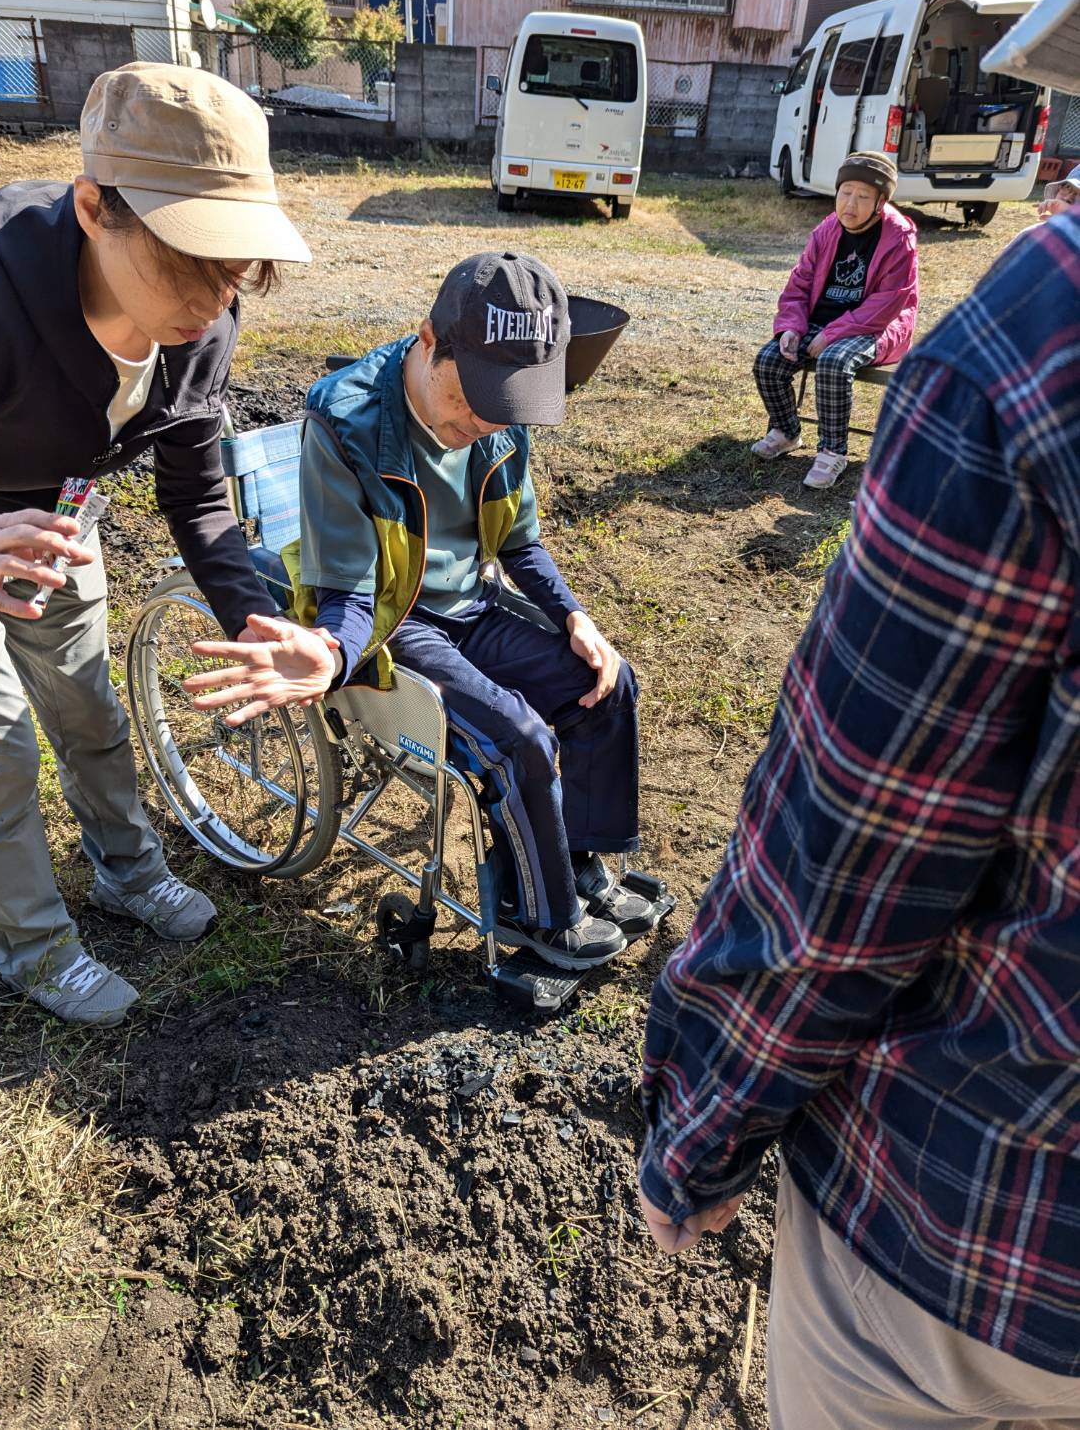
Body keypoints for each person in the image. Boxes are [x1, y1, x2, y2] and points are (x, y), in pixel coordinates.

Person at [637, 204, 1080, 1427]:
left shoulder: (1047, 327)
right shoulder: (846, 248)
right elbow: (798, 286)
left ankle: (821, 431)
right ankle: (791, 427)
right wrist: (796, 320)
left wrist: (702, 1129)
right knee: (787, 345)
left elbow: (849, 851)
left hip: (972, 1215)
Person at [0, 63, 334, 1028]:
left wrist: (258, 621)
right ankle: (35, 947)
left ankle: (128, 871)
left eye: (234, 265)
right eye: (188, 258)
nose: (213, 297)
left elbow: (198, 497)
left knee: (87, 709)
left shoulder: (203, 324)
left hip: (57, 530)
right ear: (96, 207)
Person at [186, 252, 660, 972]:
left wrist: (572, 615)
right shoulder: (345, 419)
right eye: (473, 395)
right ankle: (540, 914)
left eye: (506, 400)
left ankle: (577, 861)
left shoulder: (505, 410)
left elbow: (520, 540)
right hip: (392, 618)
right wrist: (332, 655)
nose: (484, 419)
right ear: (429, 340)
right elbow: (350, 592)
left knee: (606, 686)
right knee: (518, 739)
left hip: (471, 603)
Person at [750, 150, 918, 489]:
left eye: (863, 196)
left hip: (874, 326)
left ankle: (832, 451)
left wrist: (833, 334)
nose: (850, 204)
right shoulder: (827, 228)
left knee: (834, 361)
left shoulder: (899, 236)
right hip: (821, 320)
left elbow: (888, 304)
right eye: (845, 192)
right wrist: (791, 327)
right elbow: (799, 284)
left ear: (881, 201)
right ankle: (786, 431)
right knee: (768, 361)